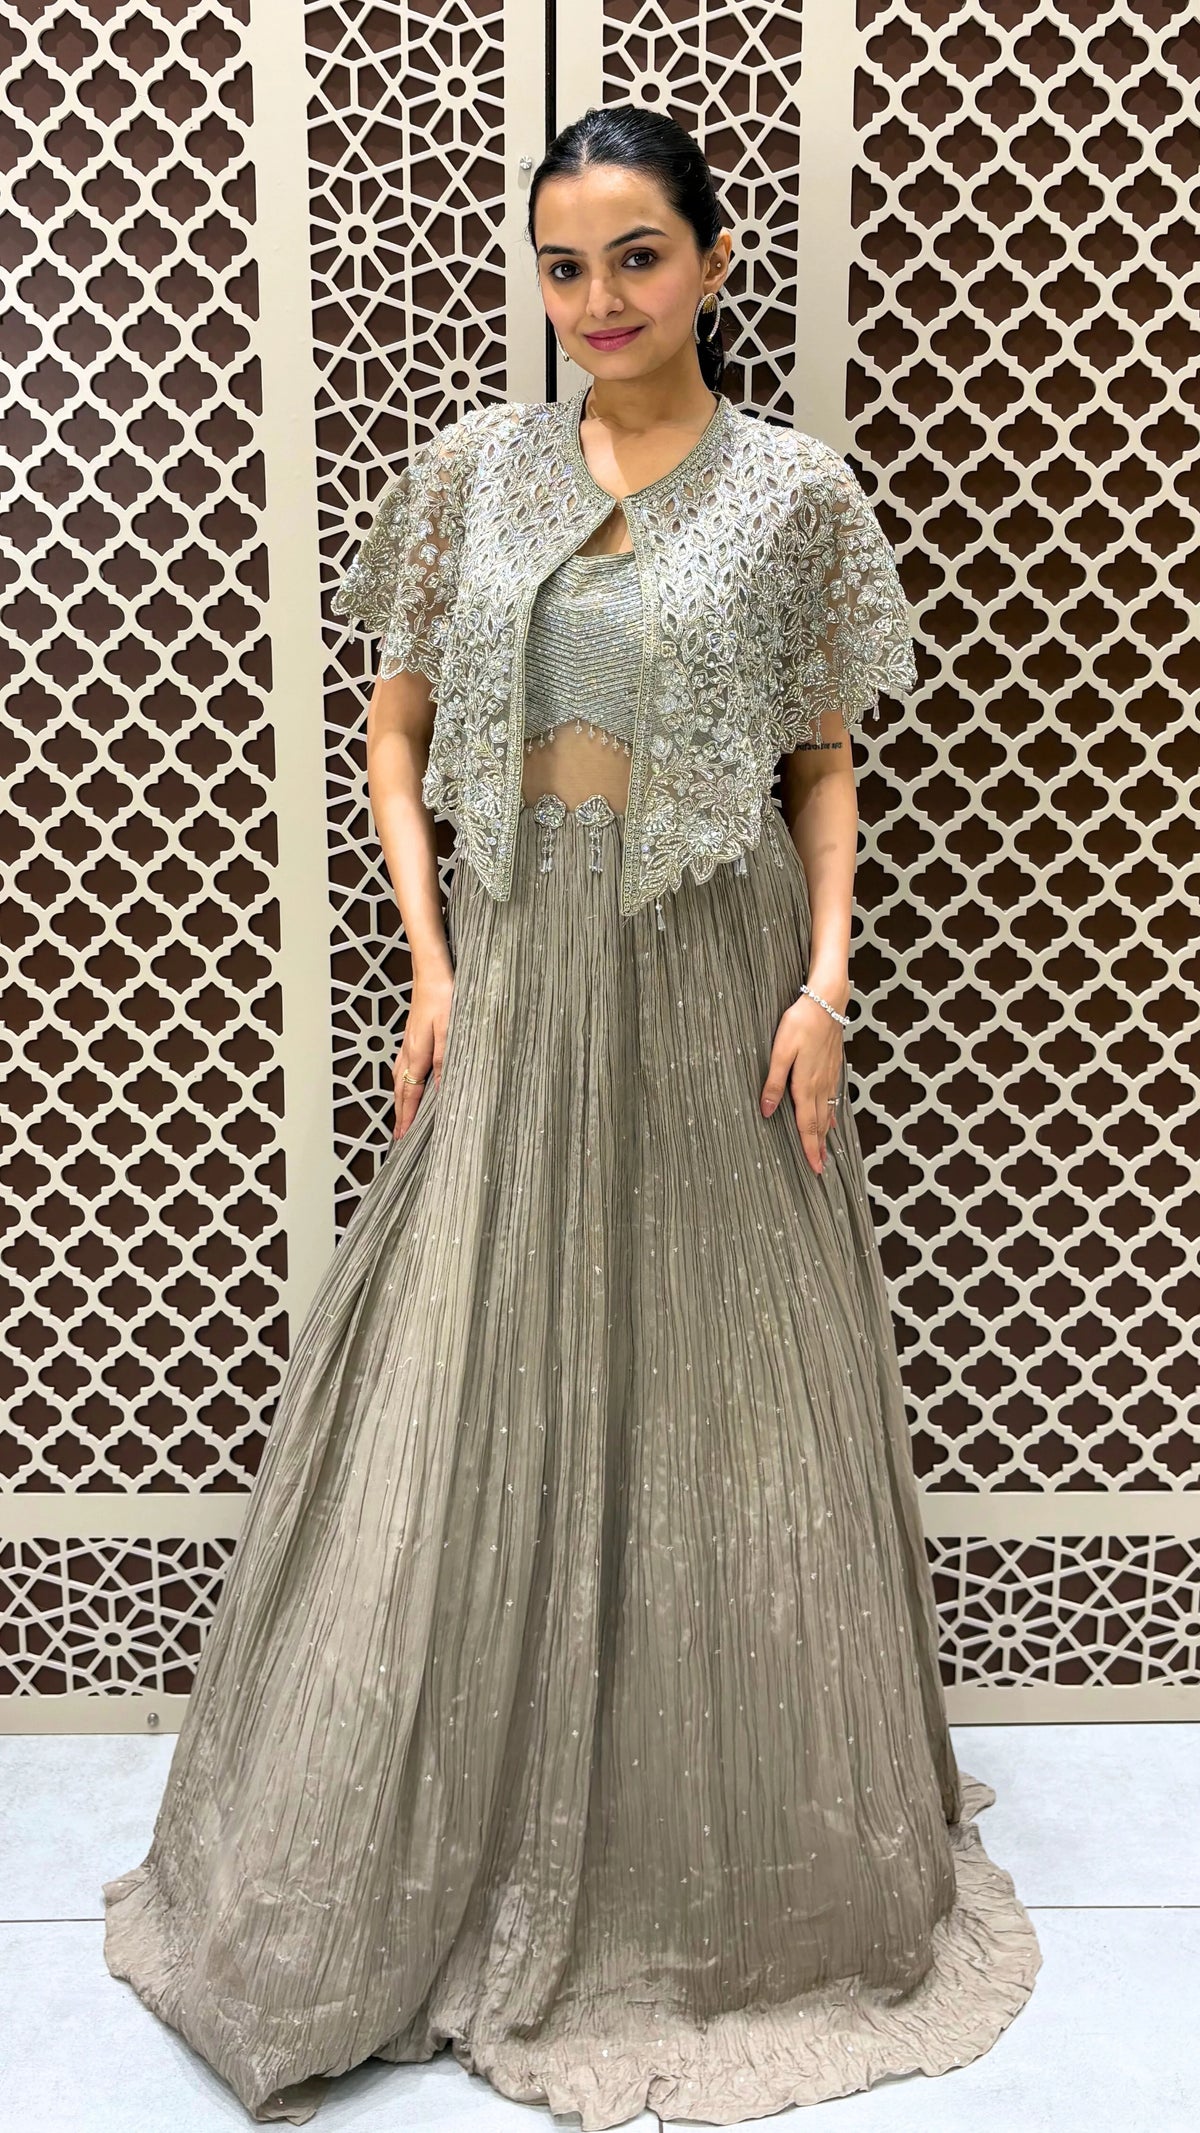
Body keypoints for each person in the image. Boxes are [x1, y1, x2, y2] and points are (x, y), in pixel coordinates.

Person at [103, 104, 1041, 2127]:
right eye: (562, 264)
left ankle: (707, 1844)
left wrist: (825, 984)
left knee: (723, 1381)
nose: (597, 299)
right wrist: (434, 969)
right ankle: (449, 1812)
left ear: (709, 261)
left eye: (635, 255)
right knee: (482, 1360)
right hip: (524, 971)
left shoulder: (794, 493)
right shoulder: (475, 473)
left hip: (717, 979)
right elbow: (394, 732)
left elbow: (821, 761)